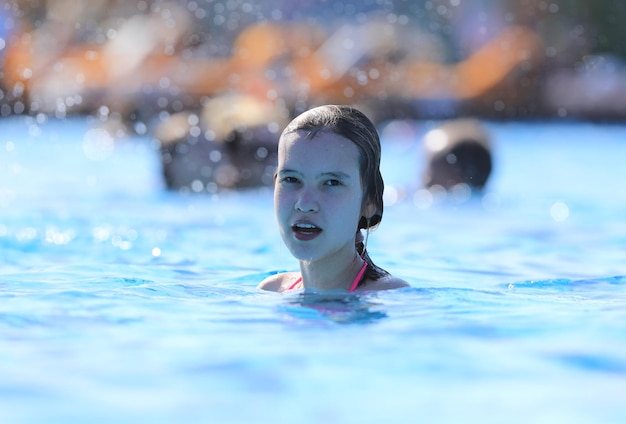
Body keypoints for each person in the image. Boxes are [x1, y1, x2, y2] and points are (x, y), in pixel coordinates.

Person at [258, 105, 409, 292]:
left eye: (331, 183)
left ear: (369, 203)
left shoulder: (387, 295)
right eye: (291, 179)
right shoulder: (272, 290)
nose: (305, 204)